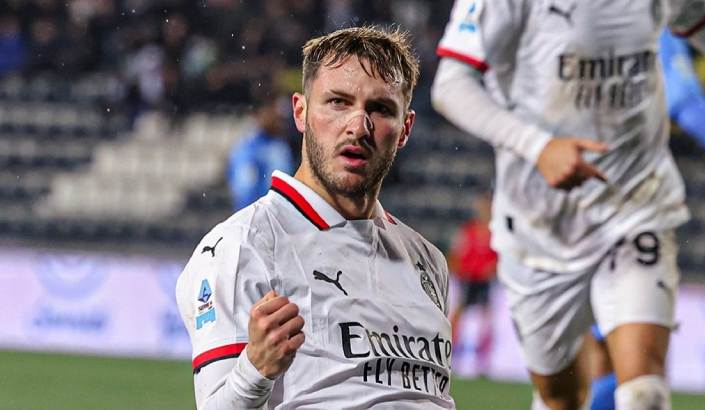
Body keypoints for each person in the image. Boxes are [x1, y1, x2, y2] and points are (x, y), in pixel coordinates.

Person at [431, 1, 705, 409]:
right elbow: (450, 86)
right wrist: (539, 147)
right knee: (560, 398)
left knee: (644, 393)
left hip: (635, 208)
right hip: (540, 228)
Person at [177, 26, 456, 409]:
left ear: (405, 128)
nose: (359, 127)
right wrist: (254, 373)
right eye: (338, 102)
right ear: (301, 112)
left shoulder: (427, 260)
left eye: (380, 108)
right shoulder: (243, 246)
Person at [587, 28, 705, 410]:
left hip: (562, 208)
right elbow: (687, 105)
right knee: (636, 370)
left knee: (594, 366)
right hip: (616, 210)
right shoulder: (648, 19)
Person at [448, 190, 497, 370]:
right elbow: (457, 253)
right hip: (468, 280)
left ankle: (483, 359)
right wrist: (459, 271)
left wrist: (491, 270)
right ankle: (448, 351)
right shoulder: (469, 230)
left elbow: (499, 258)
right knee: (458, 316)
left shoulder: (494, 231)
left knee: (487, 320)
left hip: (485, 282)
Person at [227, 100, 294, 211]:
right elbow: (244, 185)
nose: (275, 119)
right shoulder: (247, 147)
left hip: (279, 211)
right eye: (269, 113)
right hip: (254, 211)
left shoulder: (280, 145)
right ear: (258, 115)